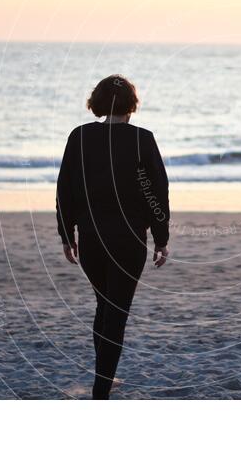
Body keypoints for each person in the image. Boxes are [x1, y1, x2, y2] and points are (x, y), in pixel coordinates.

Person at [56, 74, 170, 399]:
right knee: (116, 313)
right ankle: (101, 390)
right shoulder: (142, 139)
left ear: (99, 103)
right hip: (128, 240)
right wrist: (161, 238)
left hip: (92, 239)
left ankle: (103, 378)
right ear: (132, 105)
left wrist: (67, 235)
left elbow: (65, 190)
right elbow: (156, 194)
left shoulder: (79, 137)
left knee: (104, 308)